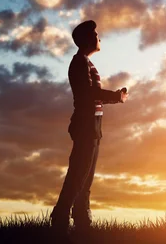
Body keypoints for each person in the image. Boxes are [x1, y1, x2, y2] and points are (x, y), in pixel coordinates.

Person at [50, 20, 128, 234]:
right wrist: (115, 97)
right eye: (95, 34)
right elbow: (88, 93)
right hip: (85, 124)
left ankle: (82, 219)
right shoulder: (79, 63)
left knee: (86, 174)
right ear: (86, 39)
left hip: (93, 125)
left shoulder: (86, 63)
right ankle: (61, 218)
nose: (99, 37)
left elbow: (93, 93)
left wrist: (115, 97)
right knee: (79, 172)